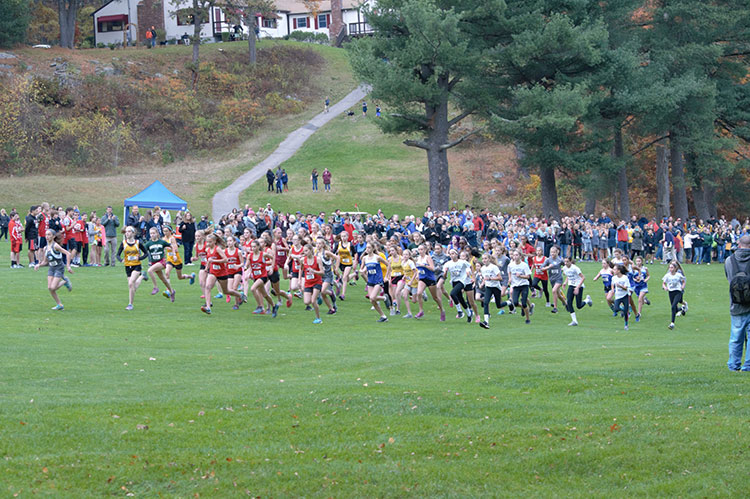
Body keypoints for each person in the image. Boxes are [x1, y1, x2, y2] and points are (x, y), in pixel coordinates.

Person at [725, 235, 750, 371]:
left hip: (736, 304)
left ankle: (733, 365)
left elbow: (729, 279)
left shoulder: (729, 260)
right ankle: (748, 365)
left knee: (735, 337)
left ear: (739, 244)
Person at [34, 229, 73, 310]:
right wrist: (39, 265)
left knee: (53, 287)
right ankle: (60, 305)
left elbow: (68, 253)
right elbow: (45, 262)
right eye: (46, 235)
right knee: (50, 288)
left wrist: (68, 266)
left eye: (49, 235)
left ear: (53, 236)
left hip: (59, 268)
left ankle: (65, 281)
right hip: (51, 268)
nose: (47, 236)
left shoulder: (55, 246)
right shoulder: (45, 248)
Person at [116, 226, 149, 310]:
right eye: (126, 232)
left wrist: (140, 258)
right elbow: (117, 255)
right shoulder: (123, 243)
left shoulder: (138, 243)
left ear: (133, 233)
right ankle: (142, 277)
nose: (127, 233)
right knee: (132, 286)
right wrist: (121, 260)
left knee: (130, 283)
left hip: (136, 265)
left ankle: (130, 304)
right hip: (127, 266)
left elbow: (146, 253)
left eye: (129, 231)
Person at [359, 242, 391, 322]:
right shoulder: (365, 258)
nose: (367, 249)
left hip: (378, 280)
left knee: (373, 297)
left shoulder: (377, 257)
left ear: (373, 248)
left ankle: (384, 297)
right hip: (370, 280)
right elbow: (362, 268)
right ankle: (383, 316)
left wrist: (386, 276)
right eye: (366, 247)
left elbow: (388, 265)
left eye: (369, 247)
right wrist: (361, 271)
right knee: (372, 300)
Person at [143, 227, 176, 301]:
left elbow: (172, 246)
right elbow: (144, 252)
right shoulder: (148, 244)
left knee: (150, 270)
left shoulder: (161, 242)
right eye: (151, 233)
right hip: (154, 262)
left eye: (154, 233)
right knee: (164, 280)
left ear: (157, 234)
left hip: (161, 262)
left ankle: (155, 287)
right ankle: (172, 291)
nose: (152, 235)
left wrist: (174, 255)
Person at [561, 257, 593, 326]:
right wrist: (565, 282)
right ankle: (574, 321)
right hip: (571, 286)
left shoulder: (575, 268)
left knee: (579, 305)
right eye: (565, 262)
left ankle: (587, 300)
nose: (565, 263)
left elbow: (583, 277)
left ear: (570, 261)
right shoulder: (564, 268)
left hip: (579, 286)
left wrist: (577, 287)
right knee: (569, 302)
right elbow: (568, 275)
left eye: (567, 262)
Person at [662, 261, 687, 330]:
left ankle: (672, 323)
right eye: (670, 268)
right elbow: (663, 283)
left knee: (673, 306)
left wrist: (682, 286)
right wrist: (665, 287)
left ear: (675, 268)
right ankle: (682, 308)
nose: (670, 269)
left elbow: (683, 281)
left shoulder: (678, 275)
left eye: (672, 268)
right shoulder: (667, 276)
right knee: (675, 309)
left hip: (678, 291)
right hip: (671, 292)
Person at [611, 264, 631, 330]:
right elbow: (612, 284)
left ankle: (626, 324)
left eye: (614, 269)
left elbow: (626, 288)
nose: (613, 271)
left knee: (626, 313)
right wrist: (612, 290)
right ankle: (623, 310)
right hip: (618, 296)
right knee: (616, 308)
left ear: (619, 270)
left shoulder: (625, 278)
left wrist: (620, 286)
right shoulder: (614, 278)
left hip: (625, 295)